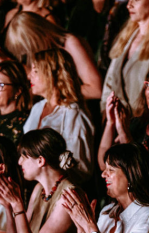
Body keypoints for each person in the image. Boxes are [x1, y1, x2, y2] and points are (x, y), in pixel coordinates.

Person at [0, 11, 104, 102]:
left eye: (29, 50)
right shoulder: (46, 50)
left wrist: (54, 91)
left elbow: (96, 90)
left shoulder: (70, 43)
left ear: (39, 37)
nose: (30, 55)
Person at [23, 48, 96, 181]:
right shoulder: (37, 108)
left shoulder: (73, 113)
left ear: (52, 74)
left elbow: (82, 169)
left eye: (36, 71)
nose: (29, 76)